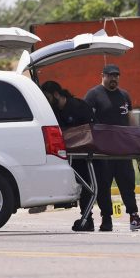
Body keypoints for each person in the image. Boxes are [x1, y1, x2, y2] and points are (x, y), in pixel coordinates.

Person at [84, 64, 140, 232]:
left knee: (128, 184)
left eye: (117, 75)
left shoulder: (124, 96)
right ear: (103, 75)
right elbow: (86, 122)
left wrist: (137, 139)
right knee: (103, 186)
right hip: (103, 152)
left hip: (123, 151)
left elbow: (130, 119)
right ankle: (106, 219)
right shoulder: (93, 95)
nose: (114, 78)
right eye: (110, 75)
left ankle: (134, 216)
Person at [41, 81, 96, 231]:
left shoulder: (79, 107)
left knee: (90, 185)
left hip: (86, 154)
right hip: (67, 155)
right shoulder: (52, 111)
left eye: (47, 97)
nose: (46, 100)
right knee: (81, 185)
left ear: (56, 94)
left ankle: (92, 219)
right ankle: (86, 217)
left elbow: (89, 130)